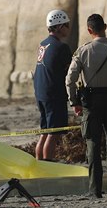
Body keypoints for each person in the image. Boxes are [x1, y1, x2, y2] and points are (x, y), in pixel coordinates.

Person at [66, 14, 107, 198]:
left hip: (91, 102)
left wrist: (74, 102)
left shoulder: (83, 51)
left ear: (89, 30)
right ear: (105, 26)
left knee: (93, 145)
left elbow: (69, 79)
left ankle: (95, 190)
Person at [33, 10, 72, 161]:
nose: (68, 28)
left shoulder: (43, 44)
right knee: (53, 133)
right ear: (59, 27)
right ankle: (47, 165)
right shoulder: (62, 47)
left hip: (41, 92)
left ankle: (39, 164)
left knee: (44, 131)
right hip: (54, 94)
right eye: (66, 25)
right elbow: (70, 72)